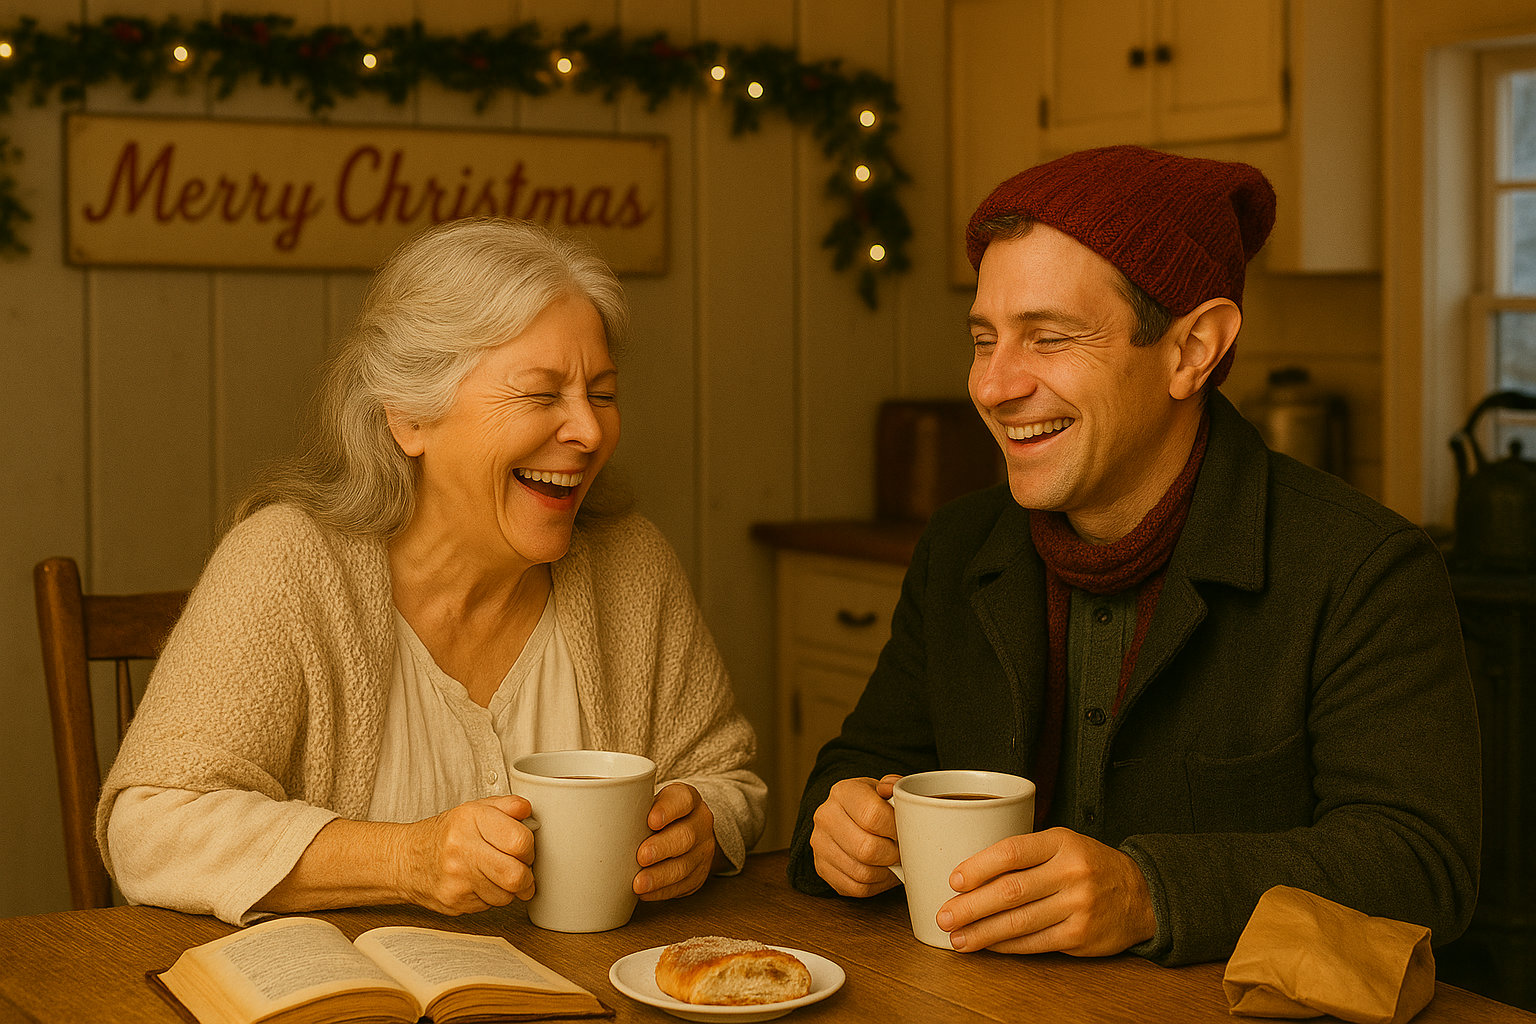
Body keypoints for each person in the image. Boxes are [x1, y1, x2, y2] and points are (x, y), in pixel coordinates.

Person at [787, 146, 1481, 967]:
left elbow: (1421, 866)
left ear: (1193, 351)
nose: (993, 386)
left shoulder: (1366, 570)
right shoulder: (960, 546)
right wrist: (839, 829)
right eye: (985, 339)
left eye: (1048, 338)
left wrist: (1148, 892)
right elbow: (863, 766)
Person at [99, 217, 766, 925]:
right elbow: (150, 827)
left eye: (601, 393)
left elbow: (724, 776)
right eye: (542, 395)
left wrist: (701, 829)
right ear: (409, 418)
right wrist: (406, 858)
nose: (591, 431)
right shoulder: (288, 562)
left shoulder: (632, 566)